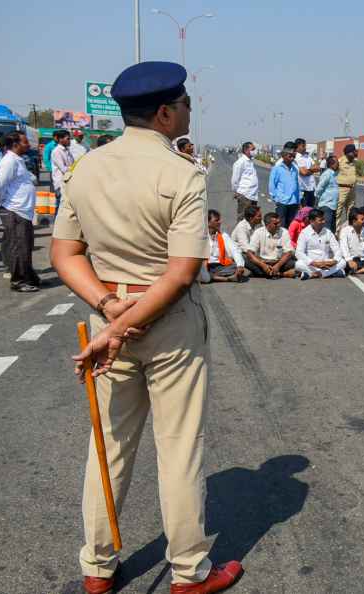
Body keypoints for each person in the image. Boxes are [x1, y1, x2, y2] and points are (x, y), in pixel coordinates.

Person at [49, 61, 243, 592]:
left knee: (108, 445)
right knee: (179, 447)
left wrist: (109, 309)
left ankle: (97, 566)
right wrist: (122, 321)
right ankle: (188, 572)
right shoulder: (181, 174)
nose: (187, 113)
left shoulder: (85, 168)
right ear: (164, 112)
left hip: (107, 318)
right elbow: (181, 274)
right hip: (167, 325)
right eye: (184, 105)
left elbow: (65, 252)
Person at [0, 131, 39, 291]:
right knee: (18, 247)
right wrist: (4, 203)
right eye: (25, 142)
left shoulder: (18, 160)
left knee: (25, 246)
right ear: (15, 144)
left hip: (23, 211)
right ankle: (19, 282)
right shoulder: (9, 161)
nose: (28, 144)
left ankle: (31, 279)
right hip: (14, 210)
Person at [295, 208, 345, 280]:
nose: (324, 222)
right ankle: (332, 273)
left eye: (323, 219)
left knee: (343, 262)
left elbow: (337, 250)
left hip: (327, 263)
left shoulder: (328, 232)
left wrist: (334, 261)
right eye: (320, 220)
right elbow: (299, 253)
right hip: (312, 263)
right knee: (298, 264)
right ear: (312, 221)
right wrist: (314, 263)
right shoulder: (304, 233)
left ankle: (315, 274)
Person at [247, 211, 297, 278]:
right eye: (275, 224)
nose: (279, 225)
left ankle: (263, 273)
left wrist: (278, 266)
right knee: (244, 258)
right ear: (267, 224)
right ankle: (279, 274)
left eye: (279, 222)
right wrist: (263, 265)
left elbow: (288, 252)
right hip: (262, 262)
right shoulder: (258, 232)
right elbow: (250, 252)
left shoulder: (284, 232)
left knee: (296, 263)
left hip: (279, 262)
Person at [202, 209, 245, 283]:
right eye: (217, 220)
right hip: (204, 265)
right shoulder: (201, 236)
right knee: (195, 269)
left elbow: (235, 250)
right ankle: (225, 278)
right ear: (208, 223)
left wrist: (240, 266)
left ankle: (210, 276)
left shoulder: (223, 236)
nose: (220, 222)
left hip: (219, 266)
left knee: (235, 267)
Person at [269, 147, 301, 229]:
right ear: (283, 156)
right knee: (281, 225)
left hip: (293, 202)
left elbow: (296, 185)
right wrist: (276, 198)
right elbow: (272, 185)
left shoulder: (294, 169)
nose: (292, 158)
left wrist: (299, 199)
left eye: (293, 156)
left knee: (291, 225)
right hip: (282, 201)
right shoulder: (277, 169)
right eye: (290, 156)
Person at [231, 141, 259, 221]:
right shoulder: (240, 162)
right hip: (245, 195)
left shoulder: (250, 162)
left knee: (252, 220)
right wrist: (236, 192)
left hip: (253, 195)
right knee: (243, 219)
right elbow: (235, 179)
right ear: (246, 150)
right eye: (253, 149)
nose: (255, 151)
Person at [50, 129, 74, 215]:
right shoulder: (56, 151)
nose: (69, 140)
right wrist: (74, 168)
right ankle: (56, 227)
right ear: (60, 139)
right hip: (60, 183)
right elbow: (64, 169)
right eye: (68, 138)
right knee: (60, 206)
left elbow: (72, 164)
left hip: (68, 182)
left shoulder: (67, 151)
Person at [336, 144, 358, 231]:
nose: (356, 152)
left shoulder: (355, 162)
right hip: (342, 189)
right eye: (354, 151)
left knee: (351, 209)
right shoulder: (340, 161)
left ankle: (349, 229)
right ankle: (336, 230)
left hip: (352, 189)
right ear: (349, 153)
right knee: (339, 210)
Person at [315, 155, 340, 233]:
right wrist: (318, 200)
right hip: (326, 205)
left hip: (333, 205)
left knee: (332, 228)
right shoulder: (327, 174)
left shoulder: (335, 174)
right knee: (326, 228)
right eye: (337, 163)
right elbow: (319, 189)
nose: (338, 164)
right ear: (331, 164)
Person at [294, 138, 319, 208]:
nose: (305, 148)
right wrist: (312, 169)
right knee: (303, 212)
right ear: (297, 146)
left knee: (311, 212)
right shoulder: (296, 157)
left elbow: (317, 167)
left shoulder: (307, 156)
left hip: (311, 188)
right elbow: (303, 173)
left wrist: (309, 170)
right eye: (303, 146)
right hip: (303, 189)